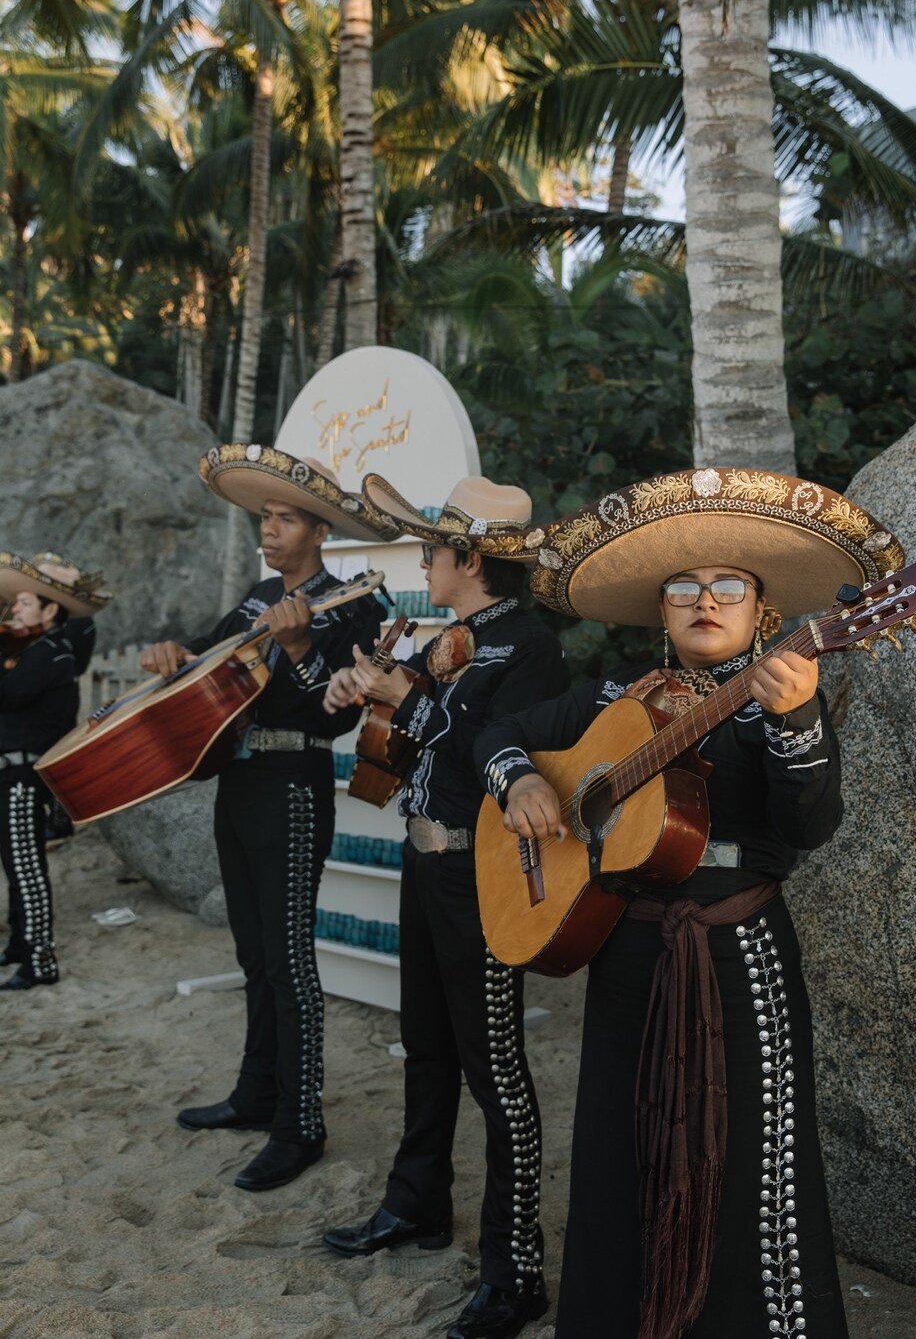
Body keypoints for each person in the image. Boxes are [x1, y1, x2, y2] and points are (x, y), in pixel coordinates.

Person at [474, 466, 907, 1339]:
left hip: (737, 950)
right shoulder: (609, 697)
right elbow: (499, 731)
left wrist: (798, 723)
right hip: (623, 946)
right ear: (660, 611)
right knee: (615, 1150)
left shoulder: (782, 691)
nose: (703, 600)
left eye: (726, 588)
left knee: (753, 1162)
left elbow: (811, 826)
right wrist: (518, 778)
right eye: (682, 589)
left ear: (762, 611)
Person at [322, 475, 568, 1339]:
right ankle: (417, 1205)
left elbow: (497, 754)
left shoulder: (529, 648)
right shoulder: (451, 639)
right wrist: (363, 693)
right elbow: (404, 728)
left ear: (469, 559)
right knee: (424, 1047)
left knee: (496, 1069)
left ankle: (517, 1271)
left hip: (482, 876)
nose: (423, 561)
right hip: (423, 863)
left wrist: (408, 701)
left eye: (432, 549)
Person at [140, 444, 395, 1192]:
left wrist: (300, 647)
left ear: (321, 533)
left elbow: (331, 719)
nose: (270, 530)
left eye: (286, 519)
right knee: (254, 956)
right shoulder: (255, 597)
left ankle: (301, 1123)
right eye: (266, 517)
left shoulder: (357, 605)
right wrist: (172, 660)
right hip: (241, 785)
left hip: (293, 784)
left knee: (289, 962)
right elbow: (208, 673)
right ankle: (256, 1096)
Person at [0, 551, 112, 991]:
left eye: (25, 604)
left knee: (26, 868)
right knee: (15, 865)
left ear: (50, 611)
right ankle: (19, 947)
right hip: (12, 774)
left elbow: (7, 695)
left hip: (24, 776)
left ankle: (41, 960)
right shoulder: (32, 649)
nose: (15, 610)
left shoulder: (51, 652)